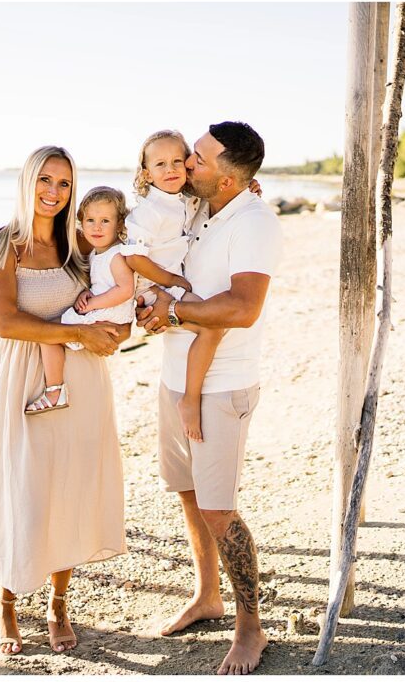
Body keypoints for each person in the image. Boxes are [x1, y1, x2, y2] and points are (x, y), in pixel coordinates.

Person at [137, 122, 282, 675]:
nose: (186, 165)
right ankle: (207, 596)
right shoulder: (202, 209)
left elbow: (243, 308)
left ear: (225, 176)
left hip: (222, 387)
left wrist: (172, 313)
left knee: (220, 509)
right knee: (190, 495)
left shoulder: (254, 223)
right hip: (176, 377)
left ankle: (251, 629)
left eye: (196, 159)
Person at [0, 146, 130, 655]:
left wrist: (113, 330)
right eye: (45, 180)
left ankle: (59, 603)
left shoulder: (80, 246)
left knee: (69, 487)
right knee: (25, 488)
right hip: (28, 378)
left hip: (83, 381)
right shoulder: (3, 244)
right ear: (28, 181)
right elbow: (5, 323)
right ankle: (5, 602)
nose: (53, 192)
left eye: (64, 184)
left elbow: (126, 275)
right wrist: (78, 337)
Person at [120, 130, 224, 444]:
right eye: (161, 164)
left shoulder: (180, 200)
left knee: (210, 323)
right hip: (151, 287)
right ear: (146, 173)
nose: (171, 169)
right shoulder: (149, 210)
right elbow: (133, 257)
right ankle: (190, 400)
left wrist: (253, 186)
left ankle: (190, 395)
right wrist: (172, 281)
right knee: (212, 326)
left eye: (178, 161)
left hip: (164, 286)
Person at [26, 186, 136, 414]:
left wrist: (93, 303)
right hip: (104, 309)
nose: (96, 227)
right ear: (81, 222)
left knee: (49, 334)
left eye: (105, 221)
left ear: (119, 225)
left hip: (110, 312)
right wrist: (88, 294)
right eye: (90, 220)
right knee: (53, 332)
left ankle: (55, 391)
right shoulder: (97, 253)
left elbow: (125, 289)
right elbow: (100, 284)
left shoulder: (116, 255)